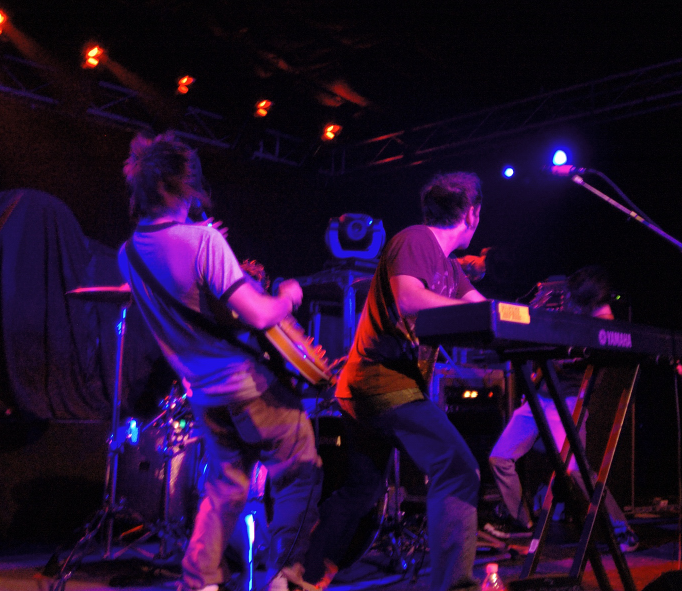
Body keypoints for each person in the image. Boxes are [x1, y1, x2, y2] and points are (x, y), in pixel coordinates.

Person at [116, 131, 322, 591]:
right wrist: (290, 295)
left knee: (225, 489)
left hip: (204, 393)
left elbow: (184, 292)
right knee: (301, 473)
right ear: (180, 187)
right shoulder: (203, 241)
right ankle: (285, 576)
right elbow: (259, 314)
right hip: (250, 386)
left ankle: (200, 580)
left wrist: (206, 244)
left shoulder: (127, 254)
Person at [304, 172, 487, 591]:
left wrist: (528, 323)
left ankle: (303, 575)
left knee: (362, 490)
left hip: (366, 386)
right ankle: (454, 587)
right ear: (472, 214)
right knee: (458, 469)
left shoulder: (449, 268)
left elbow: (483, 312)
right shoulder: (416, 239)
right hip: (381, 381)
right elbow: (408, 298)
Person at [485, 266, 638, 552]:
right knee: (500, 458)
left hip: (568, 401)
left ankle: (621, 529)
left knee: (577, 471)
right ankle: (523, 524)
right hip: (539, 398)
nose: (568, 300)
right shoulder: (571, 307)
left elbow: (587, 357)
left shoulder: (602, 319)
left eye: (572, 297)